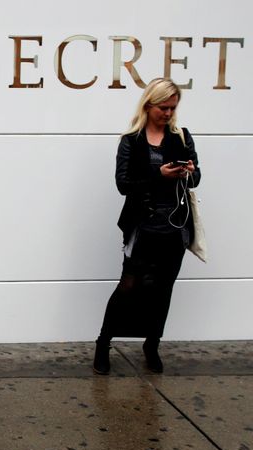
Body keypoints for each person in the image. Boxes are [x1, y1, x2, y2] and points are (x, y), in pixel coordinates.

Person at [94, 78, 201, 375]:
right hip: (142, 227)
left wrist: (189, 171)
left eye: (172, 108)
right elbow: (123, 184)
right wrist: (159, 175)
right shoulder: (132, 139)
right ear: (149, 105)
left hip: (174, 228)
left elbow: (196, 179)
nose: (168, 114)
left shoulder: (181, 136)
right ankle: (103, 343)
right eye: (163, 108)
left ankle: (151, 345)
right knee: (128, 286)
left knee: (163, 290)